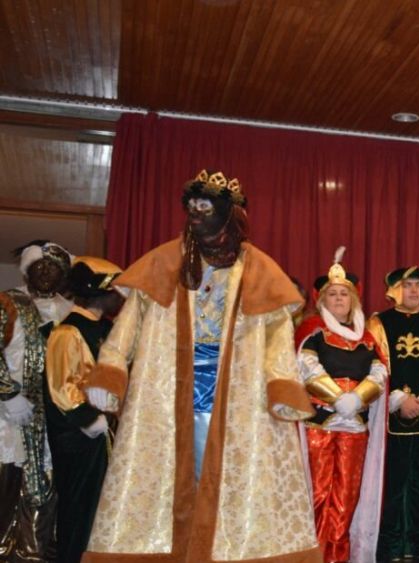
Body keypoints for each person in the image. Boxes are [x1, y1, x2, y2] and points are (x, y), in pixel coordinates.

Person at [80, 169, 321, 562]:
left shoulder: (258, 269)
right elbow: (128, 324)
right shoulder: (164, 261)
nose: (195, 215)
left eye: (205, 207)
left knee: (234, 479)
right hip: (165, 389)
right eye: (191, 207)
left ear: (229, 214)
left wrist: (281, 384)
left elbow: (278, 335)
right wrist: (111, 370)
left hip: (239, 395)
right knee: (160, 477)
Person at [296, 250, 388, 563]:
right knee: (318, 492)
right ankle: (314, 555)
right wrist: (337, 397)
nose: (338, 298)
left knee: (346, 495)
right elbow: (306, 368)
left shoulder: (368, 338)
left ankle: (338, 555)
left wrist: (357, 398)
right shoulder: (312, 331)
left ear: (353, 300)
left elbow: (379, 372)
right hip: (319, 424)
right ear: (322, 300)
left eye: (343, 294)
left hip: (355, 426)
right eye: (332, 294)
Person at [368, 266, 419, 562]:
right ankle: (387, 549)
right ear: (394, 290)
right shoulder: (379, 323)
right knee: (389, 485)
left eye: (418, 285)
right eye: (407, 285)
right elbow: (375, 364)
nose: (414, 291)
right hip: (388, 416)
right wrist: (399, 399)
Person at [44, 256, 125, 563]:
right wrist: (90, 420)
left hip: (106, 434)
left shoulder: (107, 329)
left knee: (104, 509)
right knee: (81, 508)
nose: (120, 298)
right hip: (81, 438)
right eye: (115, 291)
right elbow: (61, 386)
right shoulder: (67, 332)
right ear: (98, 291)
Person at [0, 240, 72, 561]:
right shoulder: (7, 302)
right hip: (6, 414)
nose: (45, 273)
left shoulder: (71, 312)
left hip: (51, 419)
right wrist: (8, 393)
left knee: (45, 482)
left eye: (53, 268)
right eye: (39, 266)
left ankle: (34, 552)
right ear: (27, 271)